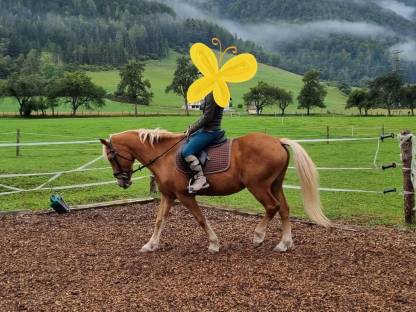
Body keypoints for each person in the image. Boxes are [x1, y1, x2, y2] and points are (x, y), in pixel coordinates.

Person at [181, 92, 225, 193]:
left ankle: (201, 179)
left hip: (210, 131)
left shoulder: (212, 93)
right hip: (206, 130)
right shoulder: (214, 91)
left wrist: (192, 129)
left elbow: (207, 117)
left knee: (187, 151)